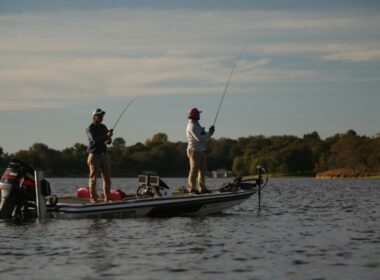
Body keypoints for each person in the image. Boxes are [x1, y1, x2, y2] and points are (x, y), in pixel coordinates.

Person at [86, 108, 113, 203]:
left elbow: (107, 142)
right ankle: (93, 198)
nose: (101, 117)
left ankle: (108, 198)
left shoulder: (103, 127)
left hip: (104, 155)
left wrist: (109, 137)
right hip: (94, 155)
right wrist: (106, 136)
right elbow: (95, 140)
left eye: (102, 115)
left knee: (107, 178)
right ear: (94, 117)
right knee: (93, 178)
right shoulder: (90, 128)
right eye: (99, 115)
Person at [186, 107, 215, 194]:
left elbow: (203, 134)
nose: (199, 115)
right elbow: (199, 138)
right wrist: (209, 134)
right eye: (197, 114)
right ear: (193, 115)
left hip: (200, 150)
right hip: (194, 151)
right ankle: (192, 188)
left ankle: (202, 188)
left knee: (202, 170)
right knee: (194, 169)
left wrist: (210, 132)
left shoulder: (196, 124)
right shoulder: (192, 126)